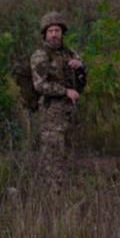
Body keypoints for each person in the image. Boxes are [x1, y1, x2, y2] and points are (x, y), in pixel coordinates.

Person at [29, 11, 85, 182]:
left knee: (68, 155)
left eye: (57, 31)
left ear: (62, 33)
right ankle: (52, 199)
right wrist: (64, 91)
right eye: (51, 31)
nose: (54, 34)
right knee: (52, 160)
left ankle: (64, 195)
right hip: (51, 114)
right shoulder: (40, 56)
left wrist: (81, 67)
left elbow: (81, 83)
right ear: (45, 34)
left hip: (69, 112)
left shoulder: (70, 54)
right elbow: (39, 85)